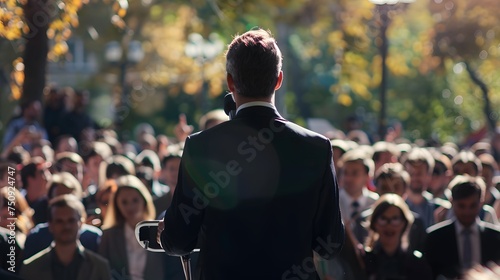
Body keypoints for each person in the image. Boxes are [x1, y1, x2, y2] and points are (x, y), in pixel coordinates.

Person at [159, 28, 344, 280]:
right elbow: (329, 244)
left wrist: (167, 231)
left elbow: (179, 240)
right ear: (279, 80)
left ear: (230, 82)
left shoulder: (201, 145)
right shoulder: (316, 147)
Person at [425, 175, 500, 279]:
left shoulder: (495, 237)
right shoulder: (435, 237)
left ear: (481, 202)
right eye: (461, 206)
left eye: (472, 205)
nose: (467, 212)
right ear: (452, 202)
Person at [20, 194, 111, 280]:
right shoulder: (31, 269)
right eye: (59, 221)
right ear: (50, 225)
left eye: (71, 220)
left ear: (81, 223)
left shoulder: (99, 267)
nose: (66, 226)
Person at [98, 175, 165, 280]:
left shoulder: (158, 230)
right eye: (124, 202)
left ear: (144, 201)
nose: (130, 207)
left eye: (135, 200)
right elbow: (103, 271)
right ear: (117, 205)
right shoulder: (109, 235)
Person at [363, 194, 432, 280]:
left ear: (404, 223)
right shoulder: (363, 262)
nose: (389, 226)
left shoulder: (416, 264)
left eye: (395, 219)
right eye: (383, 219)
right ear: (374, 223)